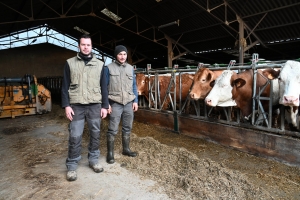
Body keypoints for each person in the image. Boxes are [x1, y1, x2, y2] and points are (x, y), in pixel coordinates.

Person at [61, 34, 109, 181]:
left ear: (91, 46)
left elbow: (104, 87)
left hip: (95, 105)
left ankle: (94, 160)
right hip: (76, 106)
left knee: (95, 134)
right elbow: (64, 86)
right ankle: (72, 165)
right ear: (79, 46)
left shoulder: (100, 64)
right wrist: (66, 106)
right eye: (83, 45)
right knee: (75, 136)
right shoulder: (70, 63)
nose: (86, 47)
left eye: (88, 45)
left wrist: (105, 106)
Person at [104, 45, 138, 164]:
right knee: (112, 129)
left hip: (129, 102)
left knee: (127, 127)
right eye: (120, 54)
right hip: (115, 102)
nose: (122, 56)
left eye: (124, 54)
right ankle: (110, 153)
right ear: (116, 55)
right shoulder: (108, 68)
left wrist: (136, 101)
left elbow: (134, 86)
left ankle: (126, 149)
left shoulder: (130, 68)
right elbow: (104, 87)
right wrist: (106, 104)